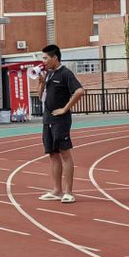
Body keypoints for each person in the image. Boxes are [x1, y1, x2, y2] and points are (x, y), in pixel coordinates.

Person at [37, 44, 85, 204]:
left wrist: (65, 108)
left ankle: (69, 192)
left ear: (55, 58)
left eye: (45, 58)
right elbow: (40, 97)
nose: (43, 61)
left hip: (60, 121)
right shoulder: (49, 74)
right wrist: (41, 82)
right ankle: (57, 190)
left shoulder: (65, 73)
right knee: (52, 154)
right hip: (47, 119)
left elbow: (79, 91)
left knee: (64, 153)